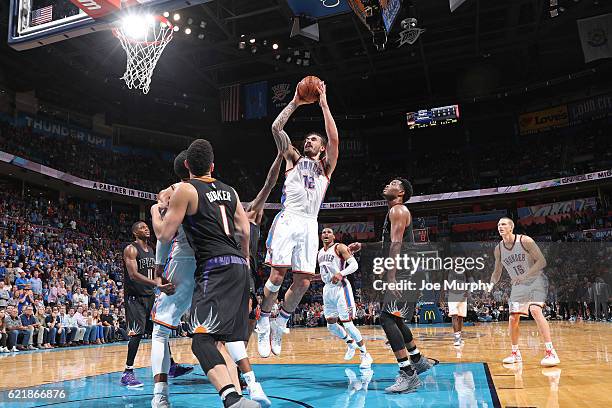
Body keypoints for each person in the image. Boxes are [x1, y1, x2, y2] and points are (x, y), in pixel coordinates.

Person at [155, 139, 261, 408]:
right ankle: (242, 395)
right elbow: (244, 230)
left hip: (212, 266)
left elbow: (164, 235)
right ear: (213, 166)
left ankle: (229, 398)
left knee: (200, 339)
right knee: (221, 341)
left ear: (187, 165)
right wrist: (246, 260)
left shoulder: (185, 190)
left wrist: (157, 211)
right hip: (238, 264)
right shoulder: (231, 191)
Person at [257, 81, 340, 358]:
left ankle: (280, 322)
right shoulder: (292, 157)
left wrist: (324, 103)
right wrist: (294, 101)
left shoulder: (326, 166)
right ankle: (264, 320)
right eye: (307, 139)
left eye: (314, 140)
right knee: (277, 276)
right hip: (289, 218)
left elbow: (334, 138)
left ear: (323, 147)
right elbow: (275, 129)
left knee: (304, 281)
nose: (308, 141)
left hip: (310, 222)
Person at [350, 178, 432, 393]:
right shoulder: (394, 212)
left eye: (393, 183)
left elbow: (396, 245)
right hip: (407, 269)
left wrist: (391, 276)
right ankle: (417, 359)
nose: (387, 184)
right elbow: (390, 243)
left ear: (401, 192)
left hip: (404, 270)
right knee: (395, 317)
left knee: (387, 318)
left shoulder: (398, 210)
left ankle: (408, 374)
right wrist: (364, 245)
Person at [490, 217, 560, 366]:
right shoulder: (498, 248)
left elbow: (542, 261)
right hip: (518, 285)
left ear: (511, 227)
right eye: (498, 224)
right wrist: (490, 284)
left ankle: (550, 352)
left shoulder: (524, 240)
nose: (500, 226)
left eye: (503, 224)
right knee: (513, 318)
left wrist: (525, 275)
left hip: (535, 280)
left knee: (535, 310)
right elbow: (497, 271)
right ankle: (515, 353)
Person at [120, 221, 176, 388]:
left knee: (160, 330)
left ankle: (171, 365)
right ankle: (127, 373)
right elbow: (133, 274)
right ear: (135, 233)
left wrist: (163, 285)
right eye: (142, 228)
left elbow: (155, 274)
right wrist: (156, 284)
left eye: (147, 227)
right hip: (135, 298)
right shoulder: (131, 249)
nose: (146, 229)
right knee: (136, 334)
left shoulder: (151, 250)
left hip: (150, 296)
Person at [317, 228, 372, 369]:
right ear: (320, 236)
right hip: (327, 289)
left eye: (329, 232)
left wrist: (341, 273)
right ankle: (350, 343)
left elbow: (354, 265)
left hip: (341, 288)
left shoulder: (339, 247)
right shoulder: (319, 253)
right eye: (323, 232)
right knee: (330, 324)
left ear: (334, 236)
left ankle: (365, 354)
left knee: (348, 324)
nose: (326, 234)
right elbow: (325, 273)